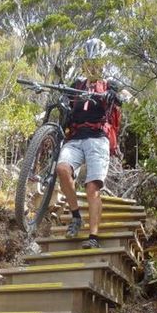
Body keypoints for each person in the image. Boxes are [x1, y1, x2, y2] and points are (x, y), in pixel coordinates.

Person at [56, 39, 124, 248]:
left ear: (103, 64)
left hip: (97, 138)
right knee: (62, 169)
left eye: (96, 62)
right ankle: (76, 216)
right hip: (75, 137)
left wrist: (116, 94)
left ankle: (93, 237)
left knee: (92, 187)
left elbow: (122, 97)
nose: (92, 66)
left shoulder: (108, 84)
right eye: (88, 62)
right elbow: (64, 100)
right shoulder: (77, 84)